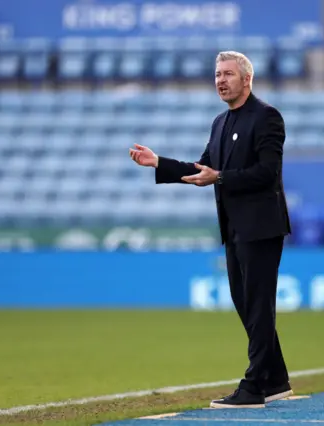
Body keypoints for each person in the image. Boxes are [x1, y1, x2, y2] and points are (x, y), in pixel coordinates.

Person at [129, 51, 293, 408]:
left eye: (228, 74)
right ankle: (276, 379)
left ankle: (253, 386)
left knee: (258, 305)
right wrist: (159, 163)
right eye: (217, 74)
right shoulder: (220, 122)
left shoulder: (267, 117)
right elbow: (203, 168)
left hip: (262, 227)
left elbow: (268, 173)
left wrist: (220, 177)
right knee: (244, 302)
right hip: (233, 227)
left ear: (246, 79)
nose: (221, 80)